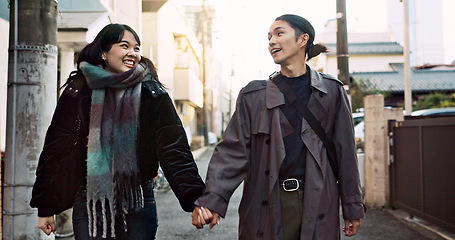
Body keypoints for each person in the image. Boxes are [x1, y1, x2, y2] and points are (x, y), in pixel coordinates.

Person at [191, 14, 365, 239]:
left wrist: (352, 207)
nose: (272, 41)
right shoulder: (253, 97)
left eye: (279, 33)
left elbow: (346, 154)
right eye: (269, 37)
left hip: (318, 199)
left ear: (303, 40)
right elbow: (232, 153)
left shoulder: (331, 92)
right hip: (267, 201)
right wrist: (212, 202)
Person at [30, 23, 205, 239]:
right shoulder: (78, 92)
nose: (133, 53)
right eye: (125, 46)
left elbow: (175, 149)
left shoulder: (152, 93)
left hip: (138, 200)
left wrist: (195, 199)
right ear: (103, 52)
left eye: (137, 48)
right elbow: (57, 148)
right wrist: (46, 207)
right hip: (89, 203)